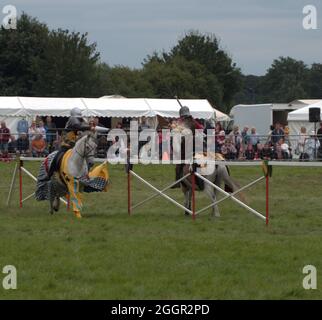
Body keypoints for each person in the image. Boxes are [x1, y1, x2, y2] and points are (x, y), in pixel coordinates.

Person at [45, 107, 92, 180]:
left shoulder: (80, 120)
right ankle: (50, 174)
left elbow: (83, 125)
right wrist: (89, 127)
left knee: (86, 156)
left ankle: (86, 174)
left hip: (76, 144)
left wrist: (90, 125)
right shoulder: (72, 120)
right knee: (58, 155)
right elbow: (78, 126)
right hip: (67, 143)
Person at [171, 106, 203, 188]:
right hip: (195, 146)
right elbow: (201, 128)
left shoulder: (182, 122)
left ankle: (178, 182)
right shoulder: (193, 121)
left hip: (188, 148)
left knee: (179, 164)